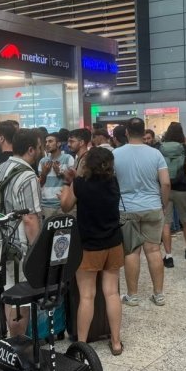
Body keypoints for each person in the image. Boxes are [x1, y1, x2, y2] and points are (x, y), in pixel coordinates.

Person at [60, 147, 124, 356]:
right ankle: (116, 342)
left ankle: (82, 345)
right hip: (114, 243)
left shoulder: (80, 184)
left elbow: (66, 206)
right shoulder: (113, 182)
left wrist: (68, 184)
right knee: (112, 292)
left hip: (88, 246)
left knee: (87, 296)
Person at [113, 118, 170, 307]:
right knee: (153, 250)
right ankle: (159, 295)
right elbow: (166, 183)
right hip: (153, 206)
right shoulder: (155, 154)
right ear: (144, 131)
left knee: (132, 252)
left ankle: (133, 296)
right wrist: (163, 204)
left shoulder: (116, 154)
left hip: (126, 208)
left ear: (127, 132)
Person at [0, 128, 43, 336]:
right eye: (39, 147)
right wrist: (37, 251)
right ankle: (19, 343)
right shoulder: (28, 175)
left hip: (3, 240)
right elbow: (30, 218)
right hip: (21, 244)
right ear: (31, 149)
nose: (40, 151)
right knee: (23, 295)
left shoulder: (1, 168)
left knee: (10, 291)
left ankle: (11, 341)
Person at [159, 123, 186, 267]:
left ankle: (168, 256)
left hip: (165, 188)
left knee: (166, 222)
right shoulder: (185, 147)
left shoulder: (160, 147)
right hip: (182, 188)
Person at [39, 132, 75, 219]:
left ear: (58, 144)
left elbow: (73, 180)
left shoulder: (68, 158)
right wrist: (44, 173)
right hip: (46, 204)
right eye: (46, 142)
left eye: (50, 141)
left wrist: (60, 172)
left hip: (63, 202)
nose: (47, 144)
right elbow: (40, 183)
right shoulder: (43, 161)